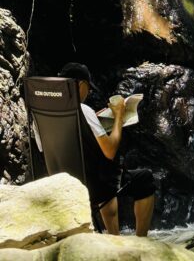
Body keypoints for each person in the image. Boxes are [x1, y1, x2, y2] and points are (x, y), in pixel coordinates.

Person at [35, 62, 155, 236]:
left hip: (60, 184)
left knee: (105, 173)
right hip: (92, 187)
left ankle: (113, 236)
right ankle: (141, 240)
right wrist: (119, 116)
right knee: (144, 179)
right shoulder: (83, 109)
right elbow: (110, 150)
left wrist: (92, 124)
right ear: (80, 85)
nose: (89, 92)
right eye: (88, 88)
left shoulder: (40, 113)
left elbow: (42, 149)